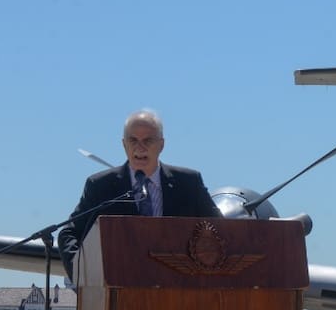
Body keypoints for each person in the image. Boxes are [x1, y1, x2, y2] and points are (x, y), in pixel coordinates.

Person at [57, 109, 221, 280]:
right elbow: (69, 233)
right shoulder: (100, 187)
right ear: (124, 144)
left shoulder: (189, 183)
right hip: (119, 295)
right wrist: (82, 278)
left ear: (161, 144)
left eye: (148, 140)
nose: (139, 147)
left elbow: (221, 229)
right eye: (133, 140)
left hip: (179, 291)